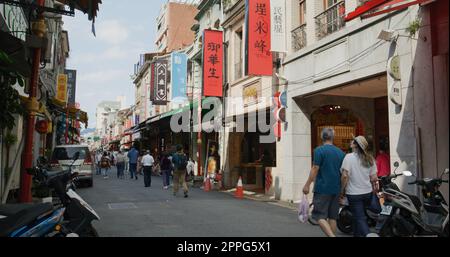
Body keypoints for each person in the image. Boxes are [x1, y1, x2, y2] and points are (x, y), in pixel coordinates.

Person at [302, 128, 345, 237]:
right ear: (332, 137)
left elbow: (315, 168)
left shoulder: (319, 150)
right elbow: (344, 173)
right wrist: (342, 190)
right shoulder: (340, 153)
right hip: (336, 188)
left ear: (322, 137)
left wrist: (307, 184)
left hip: (322, 188)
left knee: (318, 216)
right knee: (332, 217)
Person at [340, 136, 379, 237]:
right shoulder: (370, 158)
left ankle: (368, 235)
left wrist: (341, 190)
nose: (351, 142)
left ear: (355, 145)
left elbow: (344, 176)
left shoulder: (349, 157)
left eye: (353, 141)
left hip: (354, 194)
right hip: (367, 193)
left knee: (360, 217)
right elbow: (374, 178)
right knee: (358, 217)